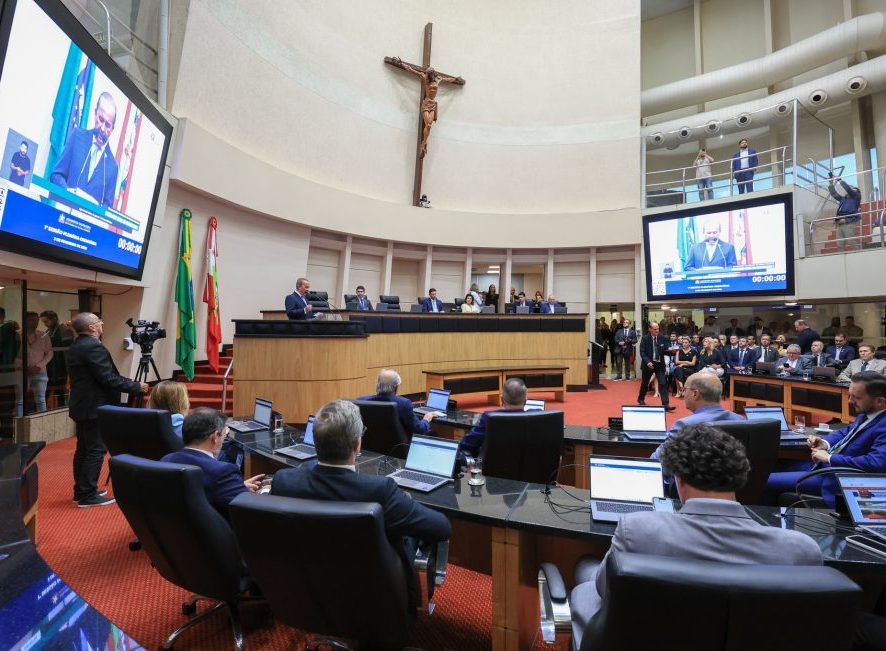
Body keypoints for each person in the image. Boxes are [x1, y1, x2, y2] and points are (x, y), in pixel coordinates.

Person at [574, 424, 822, 625]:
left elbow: (605, 589)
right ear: (741, 476)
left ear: (678, 480)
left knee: (585, 573)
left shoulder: (637, 530)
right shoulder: (801, 550)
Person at [272, 399, 451, 612]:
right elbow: (442, 528)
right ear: (357, 444)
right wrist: (406, 505)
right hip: (378, 601)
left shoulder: (284, 481)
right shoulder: (381, 491)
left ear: (315, 441)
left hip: (311, 593)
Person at [765, 372, 886, 507]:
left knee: (763, 481)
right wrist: (825, 442)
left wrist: (829, 458)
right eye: (850, 395)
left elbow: (876, 463)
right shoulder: (868, 413)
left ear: (879, 401)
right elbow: (846, 431)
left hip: (835, 478)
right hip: (822, 466)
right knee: (771, 464)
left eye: (856, 397)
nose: (850, 401)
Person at [66, 312, 147, 507]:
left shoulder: (76, 345)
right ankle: (88, 495)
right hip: (95, 406)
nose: (102, 324)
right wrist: (136, 386)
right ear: (92, 327)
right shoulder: (93, 347)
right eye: (98, 322)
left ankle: (81, 490)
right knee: (95, 450)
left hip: (81, 404)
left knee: (84, 449)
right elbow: (107, 378)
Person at [161, 408, 264, 518]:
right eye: (224, 436)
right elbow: (249, 513)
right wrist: (264, 492)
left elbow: (195, 493)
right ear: (215, 437)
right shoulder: (223, 472)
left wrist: (236, 486)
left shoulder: (166, 460)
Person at [384, 57, 464, 158]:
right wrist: (401, 64)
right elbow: (411, 70)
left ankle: (424, 143)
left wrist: (456, 79)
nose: (429, 74)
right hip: (426, 104)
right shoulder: (424, 78)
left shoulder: (438, 79)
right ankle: (424, 144)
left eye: (430, 72)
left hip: (433, 104)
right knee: (428, 124)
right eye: (428, 72)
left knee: (429, 125)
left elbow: (449, 79)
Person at [49, 92, 119, 207]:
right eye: (101, 119)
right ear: (95, 113)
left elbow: (107, 206)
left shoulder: (112, 167)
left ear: (112, 128)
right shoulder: (77, 137)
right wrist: (68, 194)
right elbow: (56, 175)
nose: (102, 128)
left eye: (107, 125)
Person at [651, 375, 744, 459]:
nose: (683, 394)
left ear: (695, 394)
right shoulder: (740, 420)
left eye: (684, 389)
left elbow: (657, 460)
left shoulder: (684, 425)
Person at [459, 378, 527, 457]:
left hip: (493, 468)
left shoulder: (489, 417)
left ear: (502, 399)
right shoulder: (539, 416)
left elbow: (467, 443)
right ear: (526, 400)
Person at [360, 368, 437, 434]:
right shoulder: (404, 404)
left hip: (371, 448)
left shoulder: (362, 401)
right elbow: (419, 429)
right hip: (399, 449)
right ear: (395, 387)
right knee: (434, 433)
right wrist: (426, 420)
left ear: (377, 385)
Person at [14, 312, 53, 416]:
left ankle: (42, 424)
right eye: (32, 320)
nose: (35, 322)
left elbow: (49, 353)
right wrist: (26, 367)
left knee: (41, 400)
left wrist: (38, 366)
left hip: (40, 371)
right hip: (22, 372)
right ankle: (20, 428)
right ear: (25, 320)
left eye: (36, 320)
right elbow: (12, 355)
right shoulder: (17, 335)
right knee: (20, 401)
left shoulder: (43, 335)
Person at [637, 322, 674, 411]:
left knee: (663, 383)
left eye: (658, 329)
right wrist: (648, 362)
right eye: (655, 329)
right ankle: (641, 399)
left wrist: (672, 351)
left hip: (659, 364)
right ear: (650, 329)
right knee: (645, 384)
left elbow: (666, 349)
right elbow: (642, 352)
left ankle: (666, 405)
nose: (657, 330)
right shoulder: (645, 338)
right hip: (648, 364)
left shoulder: (662, 338)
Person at [828, 173, 862, 252]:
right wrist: (830, 183)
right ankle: (842, 260)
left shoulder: (856, 197)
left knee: (851, 242)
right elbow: (834, 194)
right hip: (840, 224)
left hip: (849, 223)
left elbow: (848, 189)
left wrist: (839, 179)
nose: (852, 190)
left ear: (857, 192)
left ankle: (858, 257)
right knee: (839, 244)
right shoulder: (844, 199)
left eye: (854, 189)